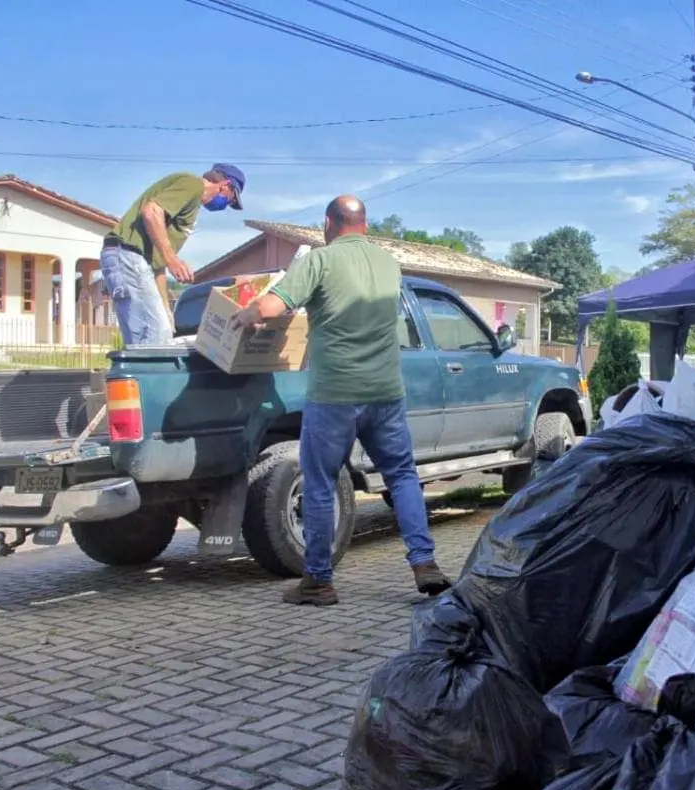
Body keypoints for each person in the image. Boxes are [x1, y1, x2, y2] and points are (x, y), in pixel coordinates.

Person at [228, 194, 452, 606]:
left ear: (329, 223)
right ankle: (425, 564)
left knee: (320, 484)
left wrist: (245, 314)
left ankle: (318, 581)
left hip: (335, 394)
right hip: (386, 392)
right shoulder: (389, 264)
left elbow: (274, 306)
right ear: (363, 225)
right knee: (402, 476)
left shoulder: (318, 260)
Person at [101, 164, 246, 345]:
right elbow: (151, 211)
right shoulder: (193, 185)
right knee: (156, 336)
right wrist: (173, 260)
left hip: (130, 260)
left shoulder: (189, 206)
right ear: (226, 185)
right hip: (128, 256)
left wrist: (165, 309)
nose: (226, 206)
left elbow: (157, 264)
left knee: (149, 337)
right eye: (230, 200)